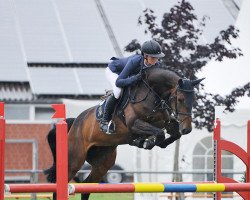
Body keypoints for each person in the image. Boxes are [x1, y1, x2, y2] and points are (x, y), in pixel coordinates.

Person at [100, 40, 165, 134]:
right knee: (118, 91)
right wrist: (135, 79)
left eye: (157, 58)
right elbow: (119, 82)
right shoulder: (135, 61)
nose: (156, 60)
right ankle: (104, 120)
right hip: (114, 71)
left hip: (127, 76)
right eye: (153, 57)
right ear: (145, 56)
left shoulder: (156, 65)